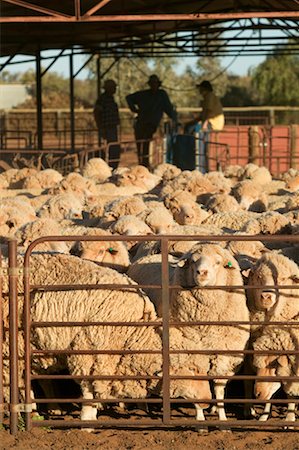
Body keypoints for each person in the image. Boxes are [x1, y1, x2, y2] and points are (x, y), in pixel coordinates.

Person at [126, 74, 177, 167]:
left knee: (145, 143)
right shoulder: (144, 94)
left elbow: (168, 109)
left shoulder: (161, 95)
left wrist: (175, 119)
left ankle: (144, 164)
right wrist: (134, 109)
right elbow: (128, 98)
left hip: (150, 124)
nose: (154, 85)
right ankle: (142, 164)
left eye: (155, 83)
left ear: (158, 84)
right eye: (152, 83)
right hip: (141, 123)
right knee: (140, 144)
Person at [185, 80, 224, 173]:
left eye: (200, 88)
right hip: (210, 121)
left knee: (199, 135)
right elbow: (204, 114)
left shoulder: (209, 96)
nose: (199, 90)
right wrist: (191, 122)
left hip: (213, 123)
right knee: (190, 129)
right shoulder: (207, 98)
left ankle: (199, 166)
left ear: (204, 88)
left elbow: (209, 112)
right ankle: (195, 162)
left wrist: (204, 125)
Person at [93, 79, 120, 169]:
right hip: (107, 127)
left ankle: (112, 165)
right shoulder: (102, 99)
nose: (114, 89)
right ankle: (110, 166)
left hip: (112, 126)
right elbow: (97, 112)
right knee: (111, 147)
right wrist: (100, 127)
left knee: (113, 147)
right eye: (113, 87)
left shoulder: (110, 99)